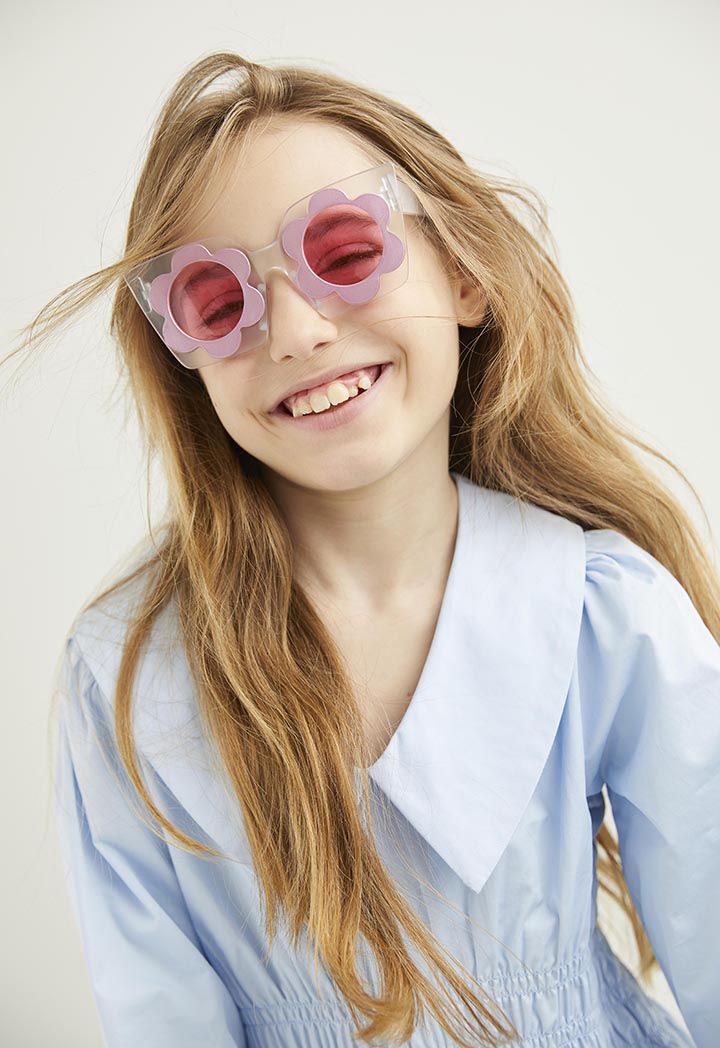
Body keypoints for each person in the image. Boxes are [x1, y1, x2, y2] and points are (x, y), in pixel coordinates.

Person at [11, 52, 720, 1047]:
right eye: (219, 301)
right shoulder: (132, 673)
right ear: (189, 365)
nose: (297, 332)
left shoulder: (601, 612)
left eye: (343, 252)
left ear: (465, 273)